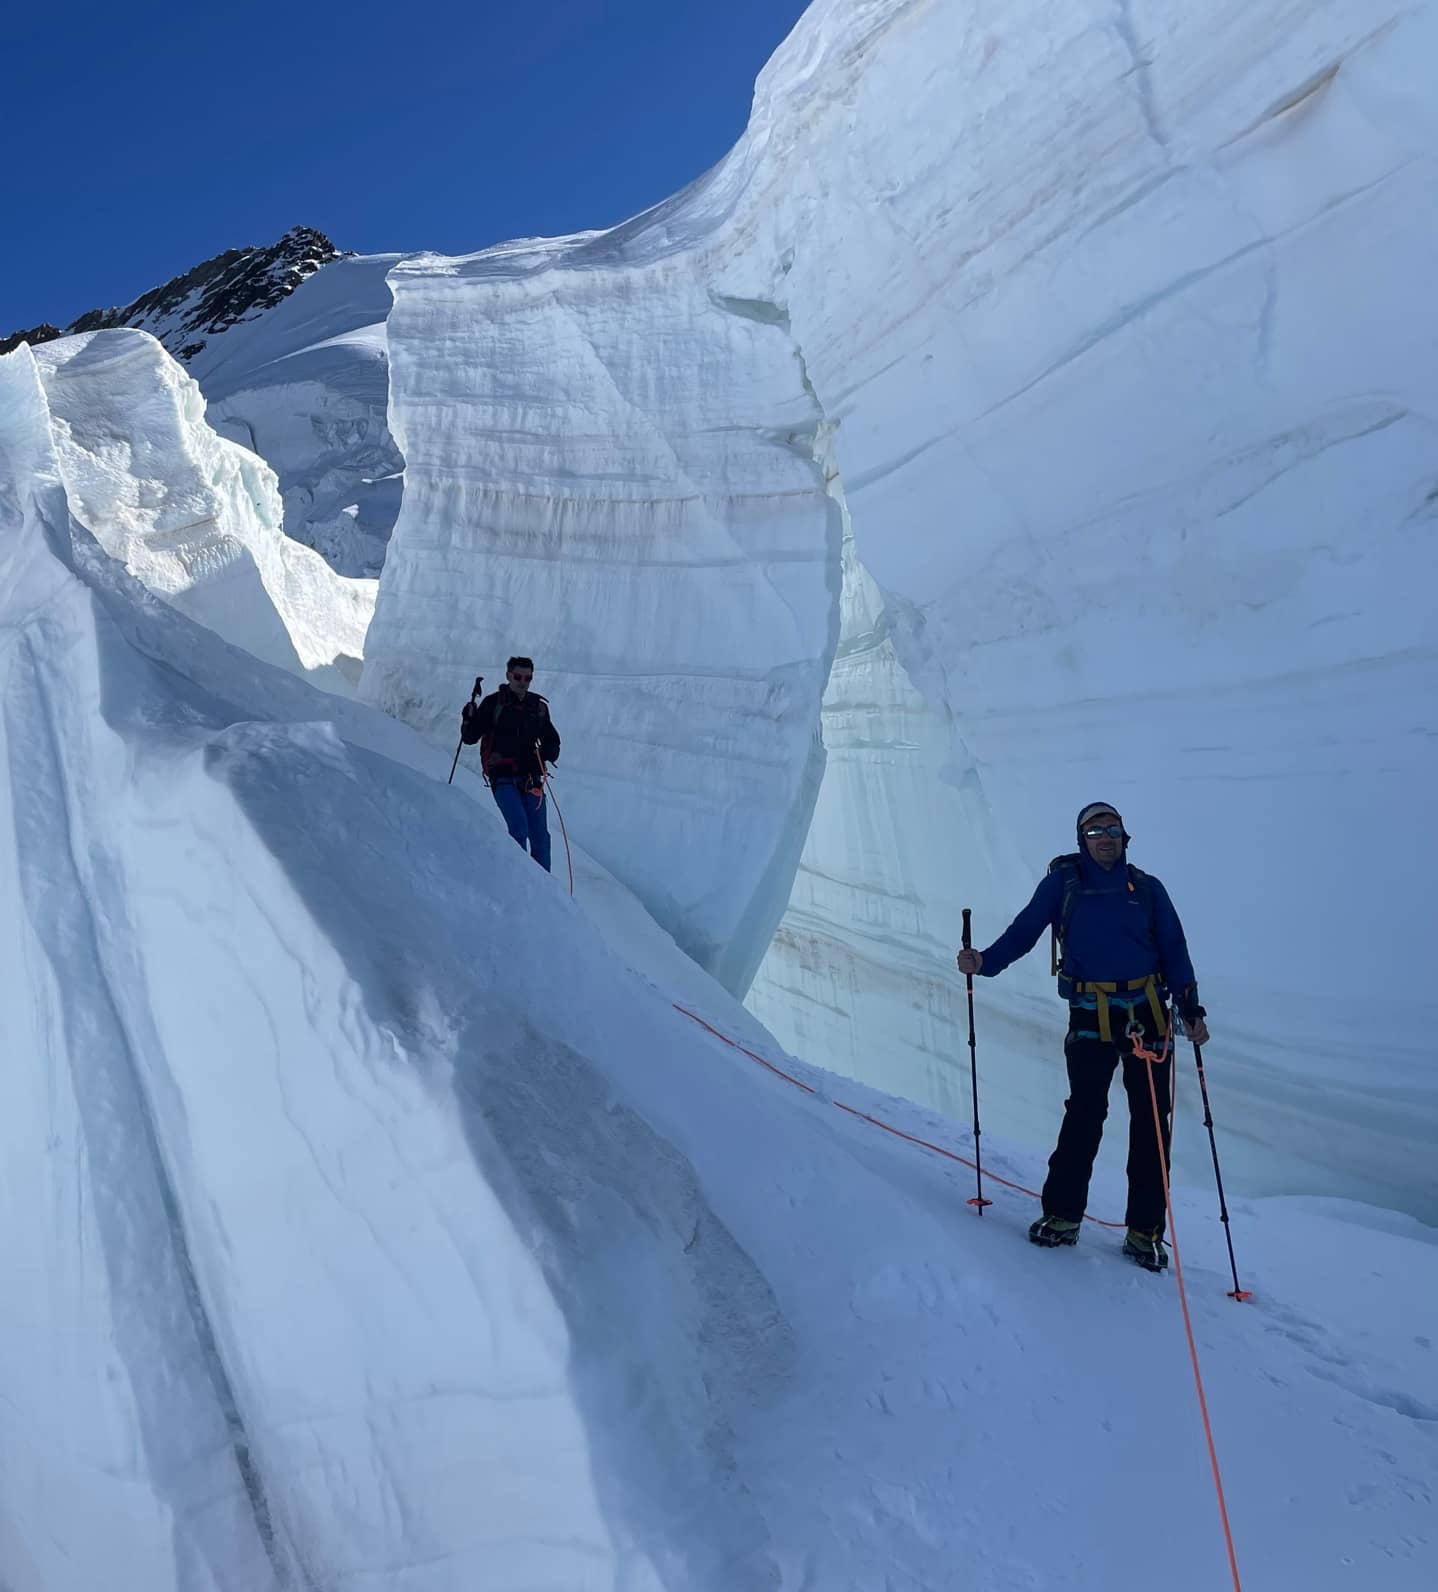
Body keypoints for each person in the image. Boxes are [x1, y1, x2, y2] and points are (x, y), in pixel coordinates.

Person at [956, 802, 1209, 1271]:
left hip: (1149, 1014)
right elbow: (1025, 931)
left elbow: (1175, 950)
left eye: (1112, 829)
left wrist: (1191, 1008)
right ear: (1082, 839)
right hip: (1091, 1014)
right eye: (1095, 831)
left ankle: (1144, 1232)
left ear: (1124, 837)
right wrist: (985, 962)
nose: (1105, 837)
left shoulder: (1149, 890)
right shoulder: (1064, 885)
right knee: (1085, 1114)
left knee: (1152, 1124)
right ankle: (1063, 1215)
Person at [463, 657, 561, 871]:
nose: (522, 681)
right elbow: (470, 737)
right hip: (503, 776)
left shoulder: (538, 708)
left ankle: (544, 891)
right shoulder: (493, 704)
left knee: (540, 837)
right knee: (519, 829)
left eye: (527, 677)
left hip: (531, 779)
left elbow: (552, 740)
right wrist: (468, 719)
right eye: (518, 676)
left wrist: (547, 753)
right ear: (508, 676)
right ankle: (518, 882)